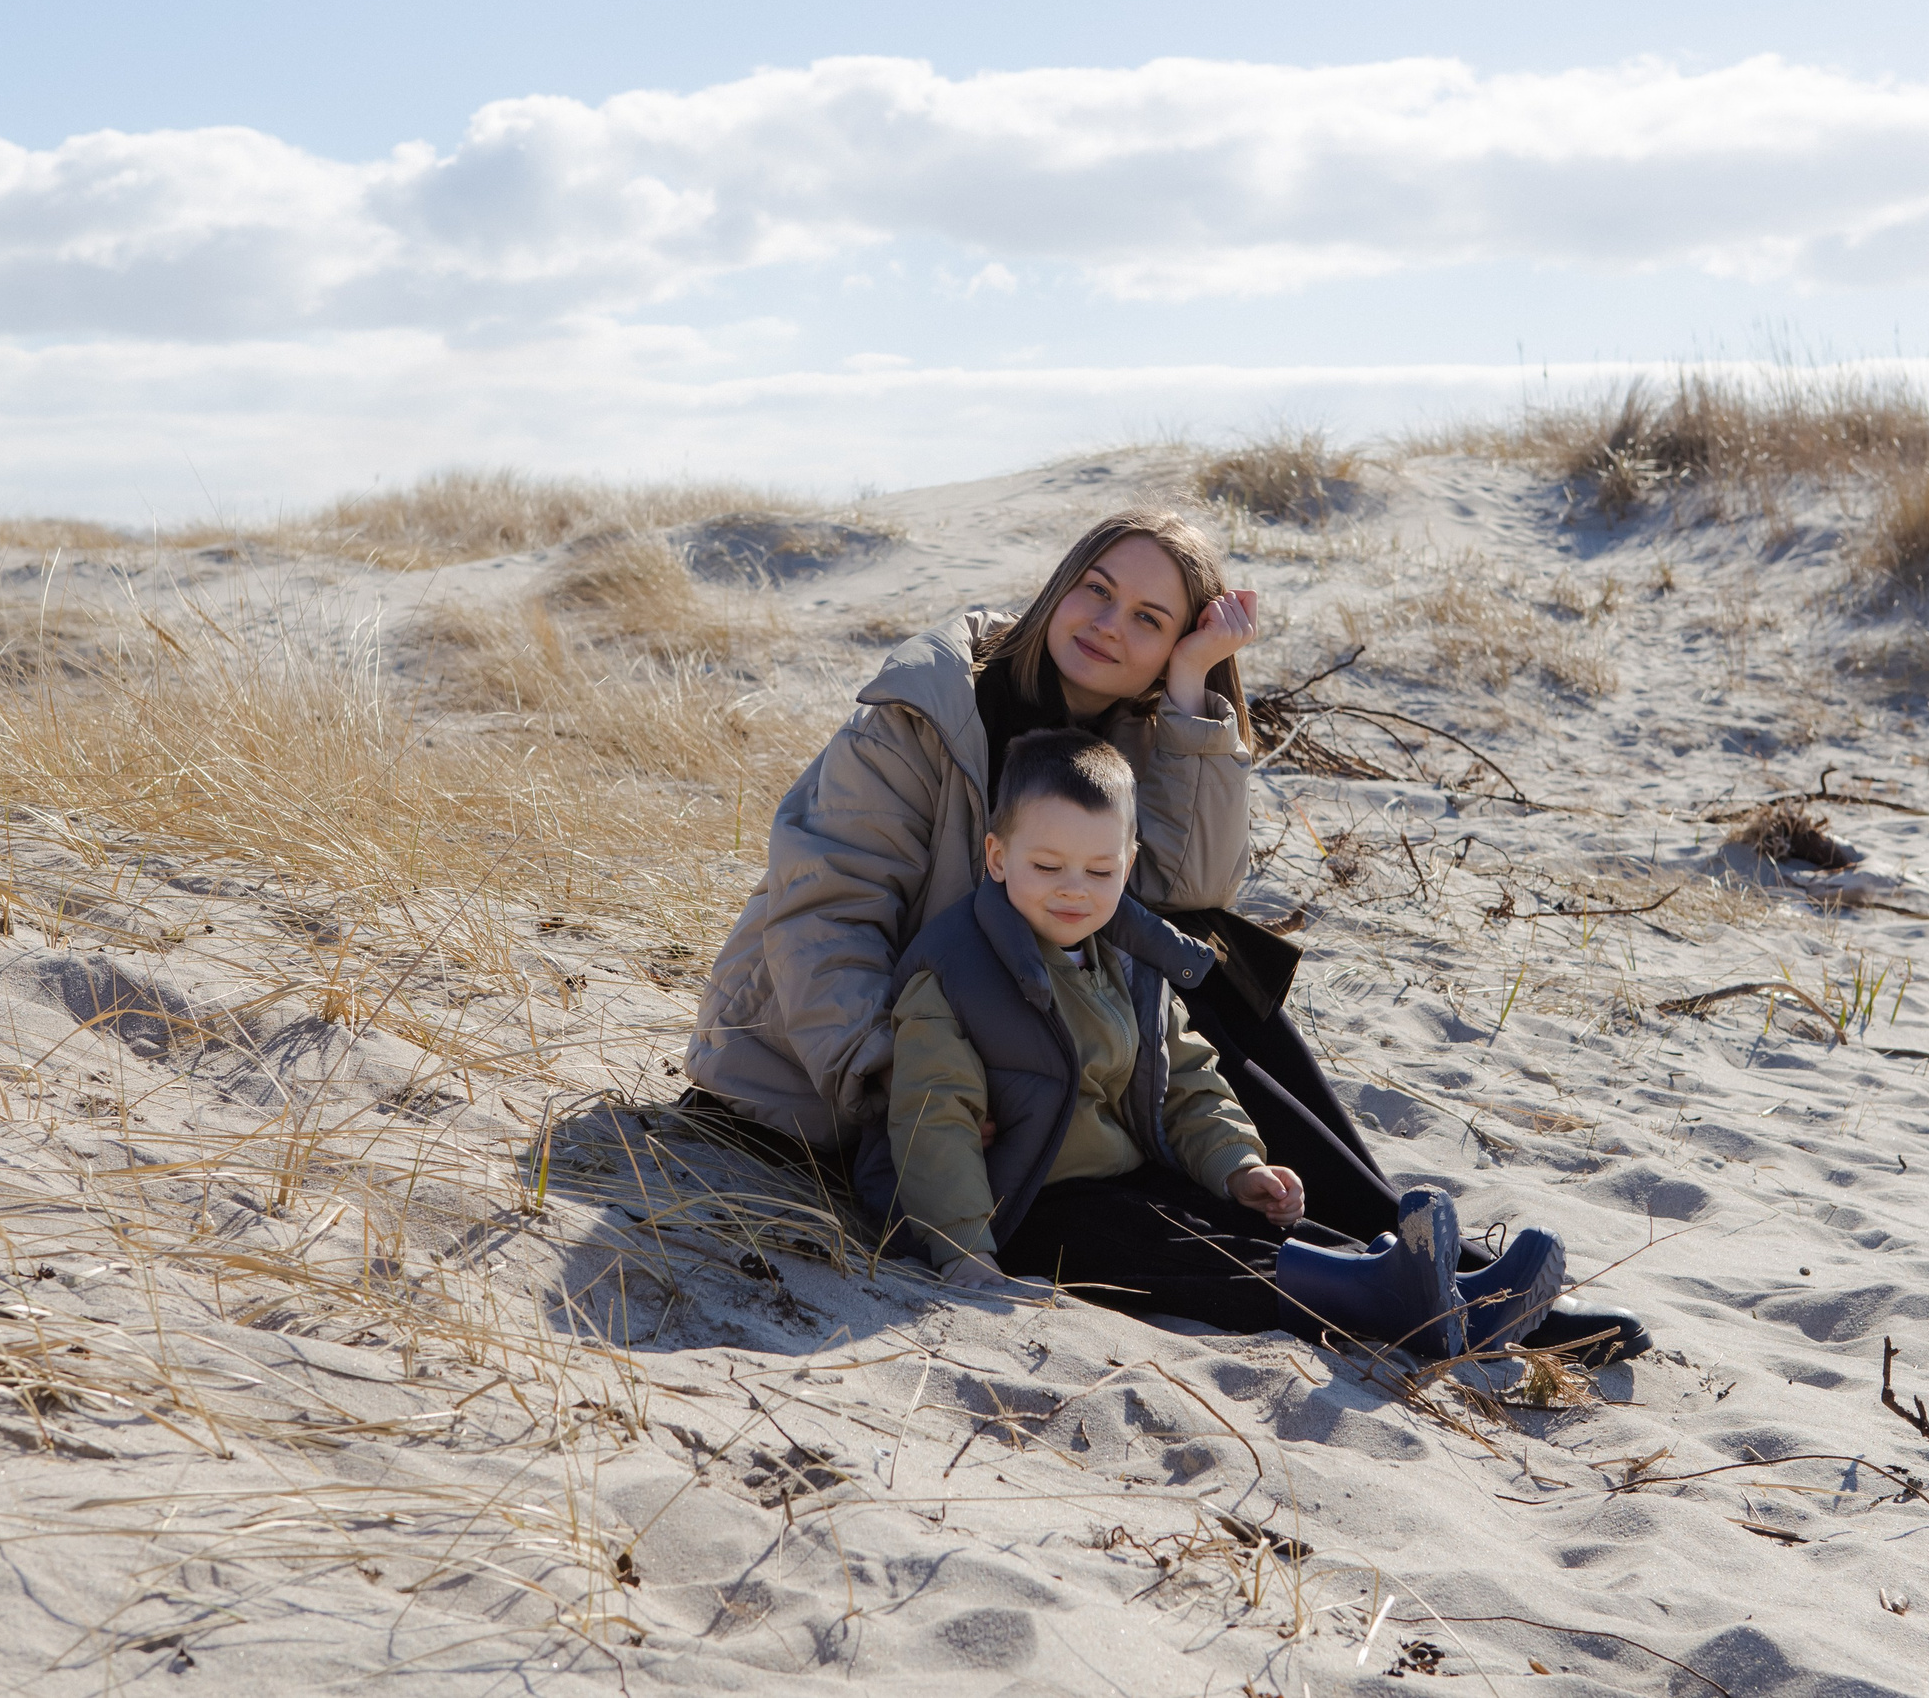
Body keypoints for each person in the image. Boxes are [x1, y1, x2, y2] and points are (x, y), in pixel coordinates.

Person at [686, 507, 1648, 1363]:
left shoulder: (1132, 735)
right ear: (1060, 586)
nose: (1109, 623)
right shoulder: (921, 714)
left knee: (1210, 970)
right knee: (1095, 1179)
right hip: (851, 1072)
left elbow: (1187, 894)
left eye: (1150, 620)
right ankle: (1368, 1284)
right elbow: (824, 911)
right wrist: (890, 1073)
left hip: (1026, 1029)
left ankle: (1407, 1251)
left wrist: (1191, 697)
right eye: (1097, 591)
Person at [858, 728, 1565, 1356]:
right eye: (1047, 866)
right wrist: (963, 1252)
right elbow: (934, 1119)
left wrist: (1236, 1164)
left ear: (1127, 865)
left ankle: (1457, 1295)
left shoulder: (1127, 958)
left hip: (1125, 1174)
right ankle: (1388, 1301)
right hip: (1024, 1208)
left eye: (1099, 871)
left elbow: (1184, 1076)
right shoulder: (955, 971)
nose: (1074, 890)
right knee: (1177, 1252)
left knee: (1231, 1217)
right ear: (997, 855)